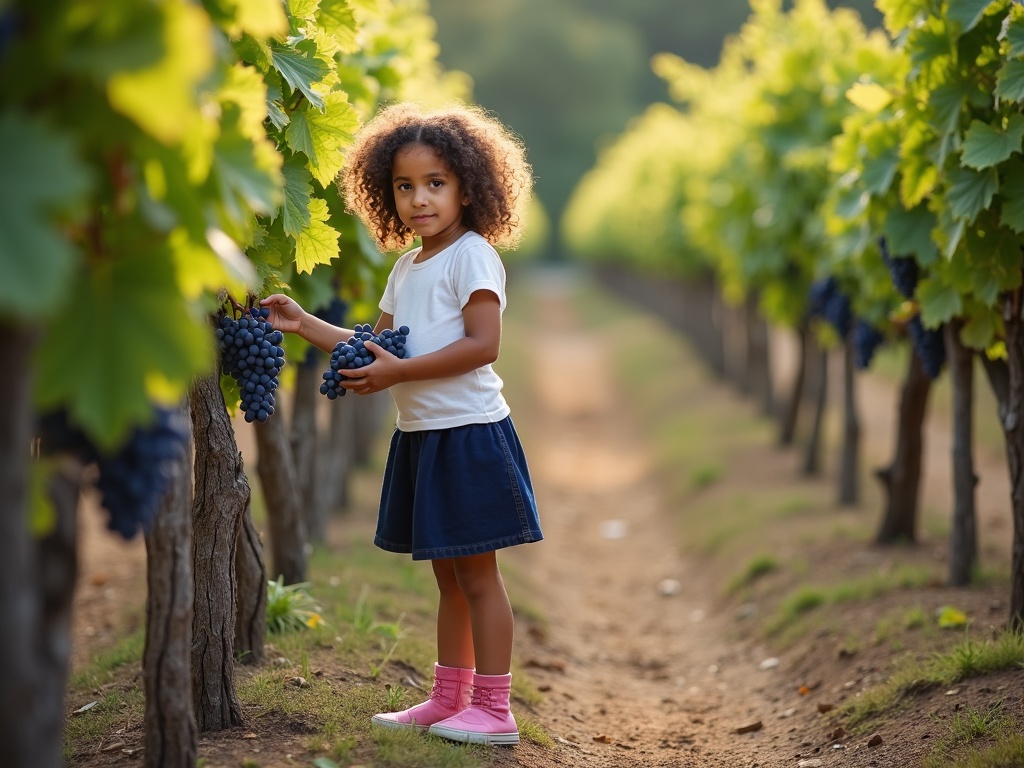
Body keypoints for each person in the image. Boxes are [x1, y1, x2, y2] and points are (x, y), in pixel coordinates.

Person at [261, 102, 542, 746]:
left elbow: (483, 345)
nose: (420, 199)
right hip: (423, 437)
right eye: (404, 186)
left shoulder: (472, 256)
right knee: (447, 572)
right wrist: (306, 324)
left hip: (469, 435)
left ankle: (495, 711)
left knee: (477, 576)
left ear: (469, 188)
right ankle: (449, 698)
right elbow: (374, 346)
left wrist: (398, 376)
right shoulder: (407, 266)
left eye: (435, 183)